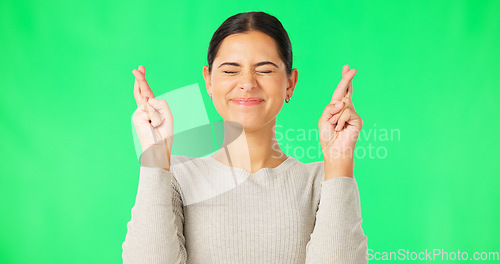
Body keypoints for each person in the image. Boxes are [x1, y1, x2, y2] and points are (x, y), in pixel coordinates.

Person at [122, 11, 368, 264]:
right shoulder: (177, 176)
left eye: (264, 70)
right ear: (208, 80)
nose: (247, 83)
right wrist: (155, 155)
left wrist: (340, 160)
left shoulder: (322, 181)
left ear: (290, 83)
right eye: (230, 71)